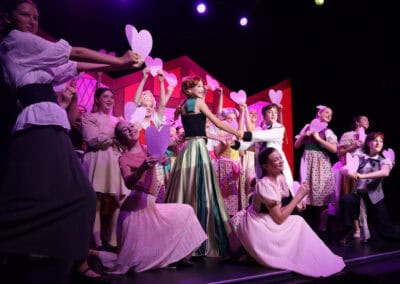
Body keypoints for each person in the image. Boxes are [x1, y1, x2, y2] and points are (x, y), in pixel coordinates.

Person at [0, 1, 143, 283]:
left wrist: (118, 64)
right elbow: (73, 51)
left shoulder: (29, 56)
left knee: (77, 196)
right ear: (7, 17)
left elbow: (73, 64)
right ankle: (70, 259)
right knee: (69, 196)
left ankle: (72, 256)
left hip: (49, 122)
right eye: (25, 15)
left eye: (36, 17)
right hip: (38, 121)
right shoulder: (17, 42)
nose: (32, 21)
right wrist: (120, 61)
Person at [91, 120, 207, 273]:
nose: (130, 129)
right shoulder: (124, 158)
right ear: (121, 139)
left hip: (150, 205)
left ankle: (178, 256)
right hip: (135, 210)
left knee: (185, 211)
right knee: (129, 263)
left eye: (131, 126)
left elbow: (162, 157)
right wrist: (142, 168)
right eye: (125, 130)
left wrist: (164, 160)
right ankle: (92, 253)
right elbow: (128, 182)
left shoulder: (149, 150)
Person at [165, 75, 243, 257]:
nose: (202, 89)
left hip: (188, 150)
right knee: (204, 190)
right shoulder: (198, 103)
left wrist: (219, 138)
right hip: (198, 149)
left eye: (202, 86)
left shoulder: (183, 105)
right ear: (188, 90)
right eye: (198, 86)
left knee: (187, 190)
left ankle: (183, 238)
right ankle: (203, 235)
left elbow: (199, 130)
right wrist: (236, 132)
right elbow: (216, 122)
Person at [236, 147, 345, 277]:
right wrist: (298, 197)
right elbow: (279, 218)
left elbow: (282, 204)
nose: (280, 161)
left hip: (269, 219)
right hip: (258, 224)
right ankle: (255, 252)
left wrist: (297, 203)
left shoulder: (280, 177)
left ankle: (312, 256)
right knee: (297, 221)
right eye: (275, 160)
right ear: (265, 166)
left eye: (280, 157)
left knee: (298, 220)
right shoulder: (264, 184)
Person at [81, 87, 128, 252]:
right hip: (97, 159)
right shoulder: (89, 117)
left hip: (114, 160)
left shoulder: (119, 120)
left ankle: (112, 240)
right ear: (97, 100)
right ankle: (98, 240)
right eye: (105, 96)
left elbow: (125, 142)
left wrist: (117, 137)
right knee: (96, 201)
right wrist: (112, 137)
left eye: (111, 97)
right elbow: (92, 139)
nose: (109, 99)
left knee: (116, 200)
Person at [339, 131, 400, 245]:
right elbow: (343, 169)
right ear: (368, 143)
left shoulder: (384, 160)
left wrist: (362, 175)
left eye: (381, 141)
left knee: (386, 232)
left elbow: (385, 173)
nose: (378, 143)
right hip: (359, 194)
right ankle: (349, 231)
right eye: (375, 140)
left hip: (375, 197)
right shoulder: (361, 157)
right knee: (346, 200)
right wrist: (349, 171)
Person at [294, 105, 338, 235]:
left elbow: (334, 149)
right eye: (326, 112)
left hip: (321, 162)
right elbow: (296, 146)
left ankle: (323, 228)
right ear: (319, 113)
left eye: (331, 114)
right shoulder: (308, 126)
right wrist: (303, 136)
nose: (329, 115)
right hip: (307, 160)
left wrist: (318, 139)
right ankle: (307, 229)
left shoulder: (328, 131)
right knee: (306, 192)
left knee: (322, 195)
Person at [332, 115, 369, 236]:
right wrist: (354, 145)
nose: (367, 122)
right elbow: (340, 152)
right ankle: (355, 227)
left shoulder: (368, 137)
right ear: (357, 122)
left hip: (365, 170)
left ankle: (365, 226)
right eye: (365, 119)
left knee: (363, 199)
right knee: (352, 198)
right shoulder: (348, 135)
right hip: (352, 168)